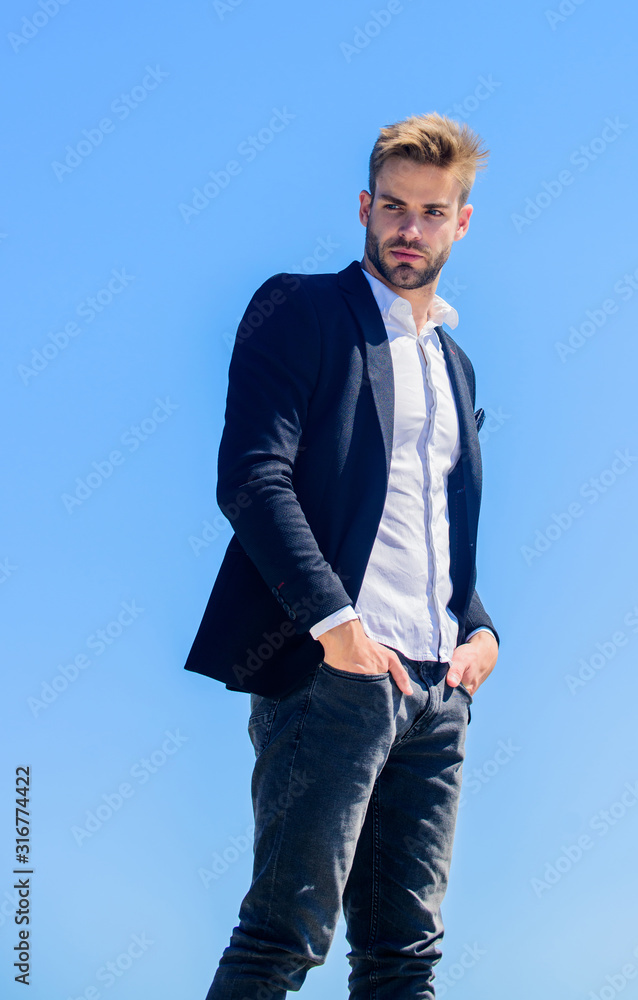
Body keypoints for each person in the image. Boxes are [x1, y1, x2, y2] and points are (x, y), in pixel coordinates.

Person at [184, 111, 500, 999]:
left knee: (405, 959)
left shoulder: (455, 362)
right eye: (394, 207)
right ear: (365, 207)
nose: (409, 229)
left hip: (439, 690)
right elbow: (251, 477)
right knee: (281, 937)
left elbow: (430, 522)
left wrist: (478, 629)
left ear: (460, 222)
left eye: (431, 213)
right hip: (335, 676)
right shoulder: (302, 310)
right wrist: (337, 629)